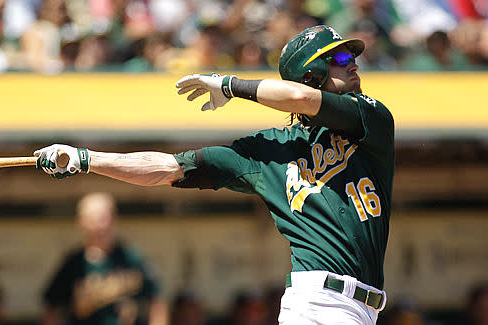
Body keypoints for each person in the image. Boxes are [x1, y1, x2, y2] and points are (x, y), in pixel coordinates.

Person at [35, 24, 395, 325]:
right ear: (312, 73)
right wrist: (86, 158)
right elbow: (167, 168)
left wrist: (230, 84)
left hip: (363, 310)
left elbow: (302, 100)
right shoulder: (268, 151)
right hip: (319, 304)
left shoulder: (371, 119)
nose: (355, 66)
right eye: (343, 59)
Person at [40, 192, 168, 325]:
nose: (99, 226)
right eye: (92, 219)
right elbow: (51, 308)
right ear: (81, 221)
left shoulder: (131, 257)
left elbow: (157, 301)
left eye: (103, 218)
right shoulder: (74, 263)